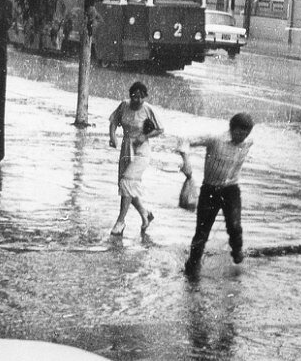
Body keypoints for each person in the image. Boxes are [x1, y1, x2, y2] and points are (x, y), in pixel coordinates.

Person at [181, 113, 255, 277]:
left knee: (235, 226)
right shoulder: (215, 139)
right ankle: (192, 268)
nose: (242, 138)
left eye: (246, 134)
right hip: (210, 190)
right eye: (239, 133)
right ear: (231, 129)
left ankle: (237, 253)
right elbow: (184, 140)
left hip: (231, 189)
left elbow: (246, 140)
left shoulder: (248, 142)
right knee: (202, 232)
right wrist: (186, 162)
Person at [109, 81, 166, 236]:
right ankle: (145, 214)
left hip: (141, 150)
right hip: (126, 147)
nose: (138, 100)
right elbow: (114, 121)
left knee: (127, 182)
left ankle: (120, 222)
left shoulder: (148, 109)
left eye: (141, 97)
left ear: (145, 98)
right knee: (126, 185)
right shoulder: (124, 105)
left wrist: (145, 135)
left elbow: (160, 129)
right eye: (135, 97)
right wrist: (113, 136)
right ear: (130, 96)